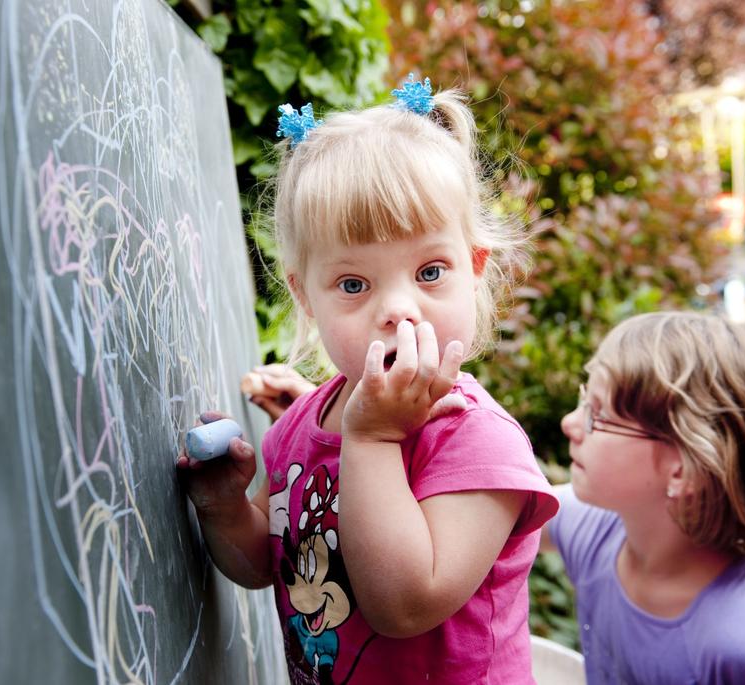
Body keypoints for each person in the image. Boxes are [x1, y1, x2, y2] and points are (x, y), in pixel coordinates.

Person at [177, 76, 558, 684]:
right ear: (306, 296)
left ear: (475, 269)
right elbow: (275, 563)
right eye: (354, 284)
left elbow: (404, 605)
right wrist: (225, 509)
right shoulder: (302, 425)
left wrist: (375, 441)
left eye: (430, 271)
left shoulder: (477, 441)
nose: (399, 308)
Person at [542, 311, 745, 685]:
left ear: (684, 468)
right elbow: (493, 515)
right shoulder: (588, 525)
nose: (570, 422)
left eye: (597, 414)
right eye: (584, 399)